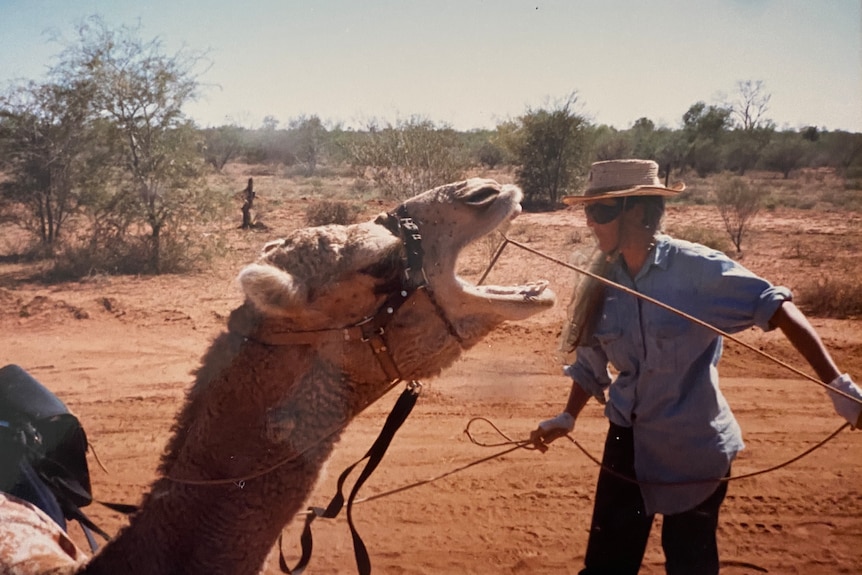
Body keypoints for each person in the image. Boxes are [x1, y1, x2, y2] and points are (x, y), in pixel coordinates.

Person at [530, 159, 862, 575]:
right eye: (588, 211)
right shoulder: (604, 280)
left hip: (694, 446)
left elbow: (776, 307)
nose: (590, 223)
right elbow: (592, 358)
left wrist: (839, 388)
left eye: (600, 211)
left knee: (690, 563)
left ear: (637, 210)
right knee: (606, 566)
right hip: (627, 443)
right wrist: (568, 415)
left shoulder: (697, 270)